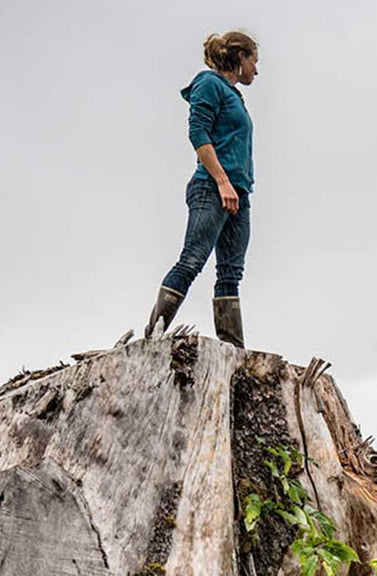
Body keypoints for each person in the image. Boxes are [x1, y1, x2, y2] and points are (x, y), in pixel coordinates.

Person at [144, 31, 258, 347]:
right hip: (212, 188)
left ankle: (232, 348)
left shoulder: (234, 95)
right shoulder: (209, 83)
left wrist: (235, 187)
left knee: (231, 273)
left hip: (239, 193)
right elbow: (198, 133)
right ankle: (152, 337)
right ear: (240, 57)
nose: (256, 71)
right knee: (192, 260)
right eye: (254, 62)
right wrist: (222, 182)